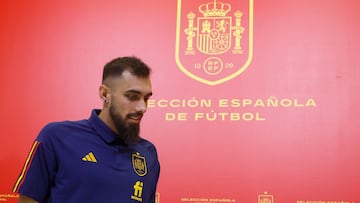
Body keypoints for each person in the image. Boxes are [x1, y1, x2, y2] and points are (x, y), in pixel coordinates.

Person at [13, 56, 160, 203]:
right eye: (132, 97)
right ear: (105, 94)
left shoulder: (148, 152)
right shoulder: (56, 136)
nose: (142, 108)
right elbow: (28, 199)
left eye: (146, 98)